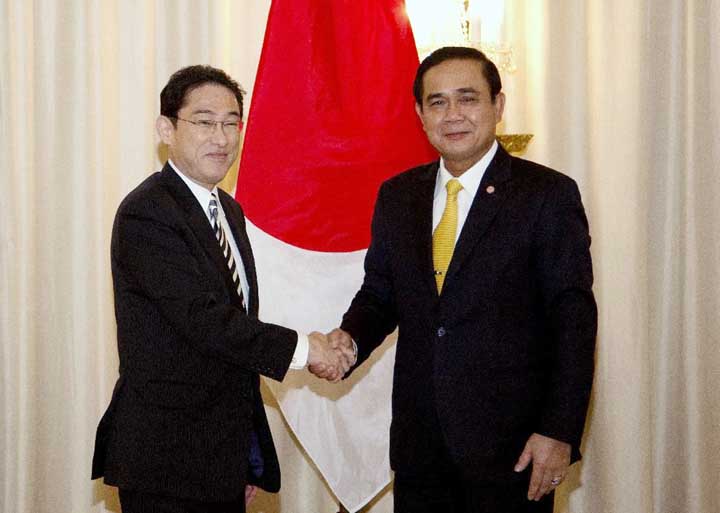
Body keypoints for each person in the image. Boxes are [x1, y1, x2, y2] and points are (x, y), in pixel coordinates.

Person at [320, 47, 597, 513]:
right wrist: (348, 339)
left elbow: (573, 322)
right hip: (420, 447)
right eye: (437, 102)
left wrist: (559, 430)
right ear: (420, 114)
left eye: (467, 99)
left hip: (512, 451)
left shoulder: (546, 195)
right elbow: (379, 295)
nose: (453, 115)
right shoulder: (398, 195)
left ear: (498, 106)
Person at [92, 65, 352, 513]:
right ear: (166, 129)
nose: (222, 137)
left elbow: (235, 340)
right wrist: (306, 350)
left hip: (220, 457)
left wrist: (244, 457)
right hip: (167, 461)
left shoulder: (227, 211)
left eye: (232, 122)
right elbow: (205, 320)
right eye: (205, 121)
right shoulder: (147, 212)